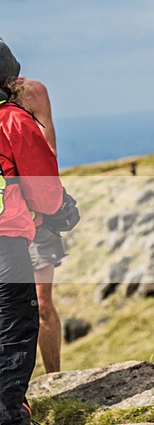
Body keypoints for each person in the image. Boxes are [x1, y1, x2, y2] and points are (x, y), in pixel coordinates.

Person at [0, 37, 65, 425]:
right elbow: (46, 191)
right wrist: (50, 210)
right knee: (11, 329)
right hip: (6, 246)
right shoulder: (12, 121)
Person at [18, 77, 64, 374]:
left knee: (40, 303)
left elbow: (50, 154)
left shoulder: (31, 92)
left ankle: (53, 380)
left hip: (34, 214)